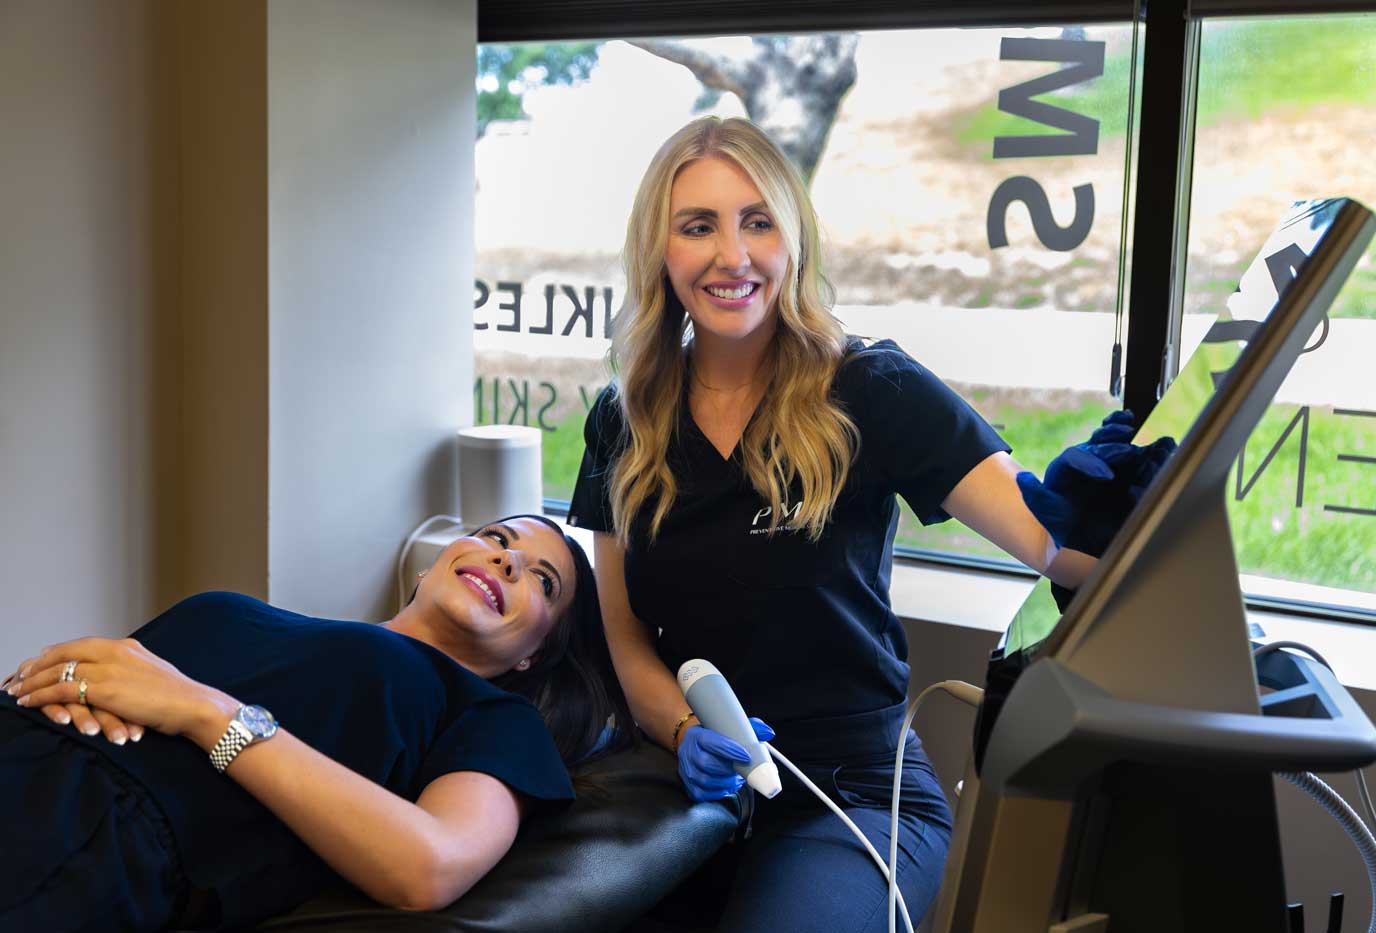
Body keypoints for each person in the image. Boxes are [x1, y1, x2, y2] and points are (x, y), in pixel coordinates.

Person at [567, 116, 1169, 932]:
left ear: (795, 239)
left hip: (857, 793)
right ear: (660, 249)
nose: (731, 255)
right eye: (697, 226)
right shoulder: (624, 420)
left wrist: (1138, 523)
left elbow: (1045, 540)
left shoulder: (871, 388)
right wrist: (681, 732)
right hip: (694, 783)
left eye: (758, 221)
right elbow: (626, 635)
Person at [0, 513, 633, 932]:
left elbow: (430, 865)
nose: (507, 563)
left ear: (533, 655)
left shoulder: (490, 714)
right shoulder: (275, 623)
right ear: (426, 567)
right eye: (496, 538)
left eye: (543, 582)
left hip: (88, 829)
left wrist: (207, 713)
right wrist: (60, 686)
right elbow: (122, 684)